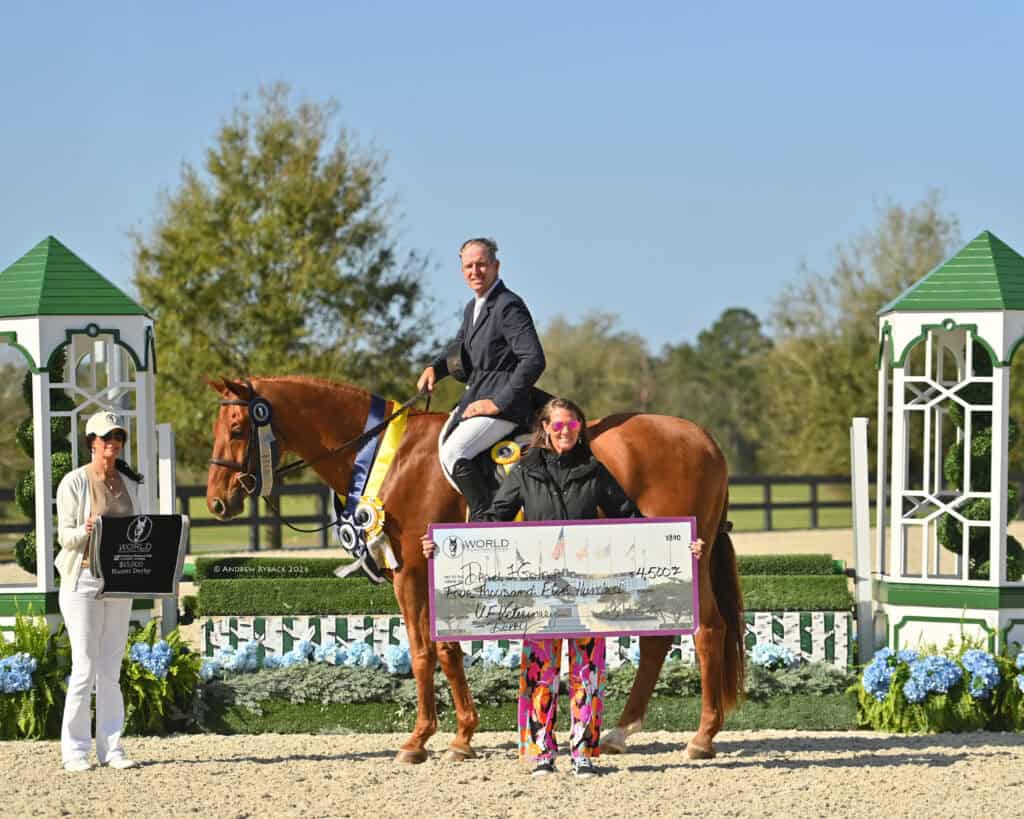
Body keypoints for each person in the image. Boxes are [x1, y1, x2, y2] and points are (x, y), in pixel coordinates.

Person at [424, 397, 704, 777]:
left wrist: (679, 545)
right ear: (544, 429)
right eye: (558, 426)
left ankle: (584, 752)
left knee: (587, 673)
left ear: (580, 429)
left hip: (588, 591)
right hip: (538, 591)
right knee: (540, 673)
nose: (565, 433)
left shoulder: (595, 470)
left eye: (572, 426)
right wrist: (445, 545)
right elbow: (494, 518)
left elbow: (631, 519)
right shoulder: (523, 471)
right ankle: (541, 753)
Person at [417, 237, 546, 519]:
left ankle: (486, 520)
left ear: (496, 266)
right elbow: (459, 349)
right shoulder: (472, 307)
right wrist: (434, 369)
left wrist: (497, 403)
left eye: (481, 264)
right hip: (475, 399)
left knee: (454, 452)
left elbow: (534, 359)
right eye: (468, 266)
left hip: (506, 406)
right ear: (462, 270)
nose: (475, 271)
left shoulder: (508, 305)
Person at [55, 412, 146, 772]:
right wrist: (86, 529)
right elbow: (64, 537)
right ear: (92, 441)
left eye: (117, 437)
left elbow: (141, 526)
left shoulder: (129, 482)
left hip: (119, 580)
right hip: (83, 580)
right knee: (84, 666)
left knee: (110, 668)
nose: (112, 443)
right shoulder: (74, 482)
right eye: (105, 437)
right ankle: (75, 751)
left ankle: (112, 748)